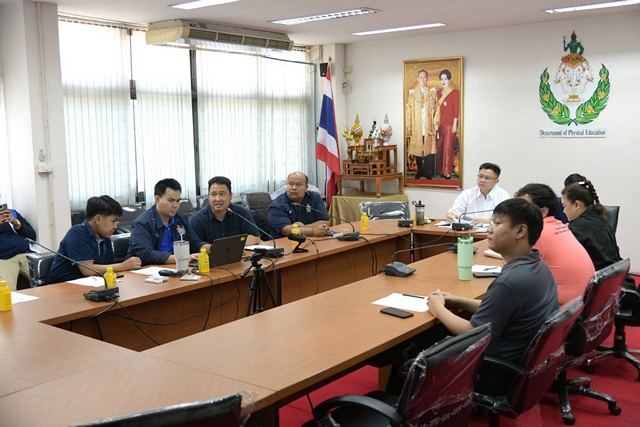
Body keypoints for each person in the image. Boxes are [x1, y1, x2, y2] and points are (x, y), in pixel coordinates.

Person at [429, 198, 559, 394]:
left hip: (494, 371)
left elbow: (471, 332)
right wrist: (457, 300)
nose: (489, 229)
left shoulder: (511, 282)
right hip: (520, 362)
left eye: (497, 223)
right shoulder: (538, 265)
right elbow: (500, 310)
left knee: (416, 346)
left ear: (520, 231)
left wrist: (437, 307)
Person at [561, 180, 637, 306]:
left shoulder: (576, 229)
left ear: (577, 205)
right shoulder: (601, 219)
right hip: (623, 284)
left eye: (564, 206)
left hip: (606, 292)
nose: (563, 211)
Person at [515, 183, 594, 304]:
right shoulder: (560, 226)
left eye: (523, 208)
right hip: (583, 302)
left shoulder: (538, 232)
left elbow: (516, 272)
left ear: (543, 211)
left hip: (562, 307)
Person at [45, 196, 142, 284]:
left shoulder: (104, 236)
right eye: (113, 221)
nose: (115, 227)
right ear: (98, 219)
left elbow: (108, 267)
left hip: (90, 285)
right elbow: (88, 270)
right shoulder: (77, 233)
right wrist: (124, 266)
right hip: (61, 287)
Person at [127, 179, 206, 266]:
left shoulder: (181, 219)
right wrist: (182, 258)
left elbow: (195, 243)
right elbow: (146, 254)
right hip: (147, 269)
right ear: (157, 199)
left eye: (178, 201)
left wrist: (212, 249)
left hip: (176, 266)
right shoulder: (142, 223)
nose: (175, 205)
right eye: (171, 201)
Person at [190, 176, 260, 247]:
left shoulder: (241, 213)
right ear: (208, 196)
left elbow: (255, 237)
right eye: (213, 194)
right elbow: (195, 245)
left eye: (222, 194)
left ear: (230, 196)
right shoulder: (197, 219)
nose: (217, 199)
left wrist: (229, 246)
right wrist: (221, 248)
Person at [268, 172, 330, 238]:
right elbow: (287, 231)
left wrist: (305, 227)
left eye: (299, 185)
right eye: (290, 184)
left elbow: (325, 222)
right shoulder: (277, 205)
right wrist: (312, 231)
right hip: (284, 241)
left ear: (306, 187)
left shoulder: (314, 197)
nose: (294, 188)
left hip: (312, 238)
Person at [406, 70, 440, 180]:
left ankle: (427, 171)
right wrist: (409, 125)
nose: (423, 80)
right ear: (417, 79)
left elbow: (437, 109)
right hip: (417, 125)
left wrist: (435, 122)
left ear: (427, 78)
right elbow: (408, 110)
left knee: (429, 148)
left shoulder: (432, 93)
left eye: (424, 77)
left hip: (428, 125)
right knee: (418, 148)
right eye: (420, 77)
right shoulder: (413, 94)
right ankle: (420, 170)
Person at [0, 203, 36, 291]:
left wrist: (16, 223)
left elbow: (32, 236)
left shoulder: (11, 213)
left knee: (48, 278)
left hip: (25, 253)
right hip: (3, 259)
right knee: (6, 290)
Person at [436, 69, 459, 180]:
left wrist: (455, 124)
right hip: (439, 124)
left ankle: (448, 171)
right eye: (441, 79)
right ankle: (440, 170)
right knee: (440, 147)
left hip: (450, 124)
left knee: (448, 148)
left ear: (449, 80)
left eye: (445, 79)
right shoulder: (437, 93)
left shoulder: (454, 93)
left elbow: (456, 110)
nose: (443, 81)